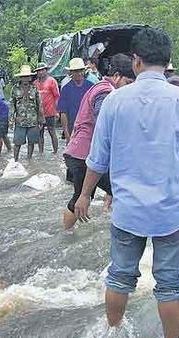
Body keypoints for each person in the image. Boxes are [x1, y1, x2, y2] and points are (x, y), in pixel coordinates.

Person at [74, 28, 179, 338]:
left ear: (136, 61)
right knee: (170, 286)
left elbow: (97, 158)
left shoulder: (114, 102)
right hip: (171, 211)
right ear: (167, 62)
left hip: (128, 211)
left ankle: (112, 335)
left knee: (119, 276)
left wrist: (85, 195)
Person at [63, 54, 135, 232]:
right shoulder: (105, 92)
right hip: (83, 155)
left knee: (96, 194)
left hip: (79, 153)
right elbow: (105, 124)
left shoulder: (101, 87)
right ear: (117, 76)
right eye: (129, 82)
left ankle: (68, 234)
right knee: (87, 197)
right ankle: (66, 235)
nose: (131, 88)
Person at [11, 65, 43, 161]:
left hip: (33, 120)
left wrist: (41, 118)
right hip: (20, 121)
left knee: (31, 142)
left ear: (30, 77)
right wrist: (12, 119)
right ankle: (15, 160)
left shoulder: (34, 89)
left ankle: (29, 160)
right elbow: (12, 104)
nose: (25, 79)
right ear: (20, 77)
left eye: (27, 76)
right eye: (23, 76)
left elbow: (39, 104)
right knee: (17, 142)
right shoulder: (15, 89)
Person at [57, 58, 94, 144]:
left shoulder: (91, 87)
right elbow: (63, 113)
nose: (79, 73)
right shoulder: (66, 89)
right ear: (71, 73)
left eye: (81, 70)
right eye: (76, 71)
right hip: (72, 128)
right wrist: (67, 135)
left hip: (88, 129)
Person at [33, 62, 60, 153]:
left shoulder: (52, 81)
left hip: (50, 112)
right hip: (39, 113)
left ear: (46, 70)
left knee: (52, 132)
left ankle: (55, 152)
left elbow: (57, 97)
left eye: (42, 70)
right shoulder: (35, 83)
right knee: (40, 133)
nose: (40, 72)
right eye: (38, 71)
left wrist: (57, 111)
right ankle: (41, 152)